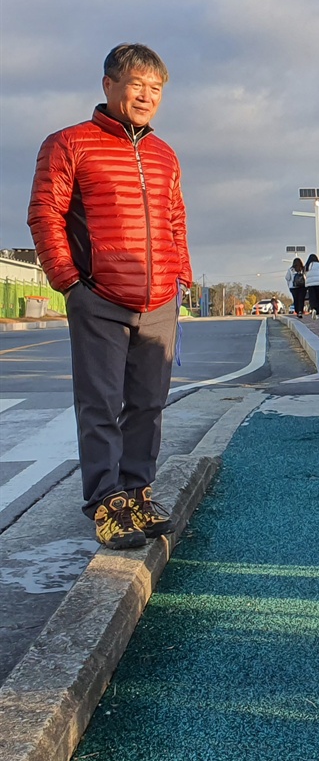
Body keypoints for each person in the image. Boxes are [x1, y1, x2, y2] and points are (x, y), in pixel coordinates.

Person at [26, 43, 191, 549]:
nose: (146, 96)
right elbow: (44, 214)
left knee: (148, 403)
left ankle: (137, 493)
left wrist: (180, 275)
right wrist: (70, 282)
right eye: (137, 85)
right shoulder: (69, 143)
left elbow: (175, 218)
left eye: (156, 88)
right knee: (99, 403)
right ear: (110, 85)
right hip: (98, 294)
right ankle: (107, 503)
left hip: (159, 296)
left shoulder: (164, 154)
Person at [304, 253, 319, 319]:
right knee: (318, 297)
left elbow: (305, 275)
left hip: (310, 284)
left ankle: (313, 308)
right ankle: (317, 312)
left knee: (312, 297)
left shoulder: (307, 266)